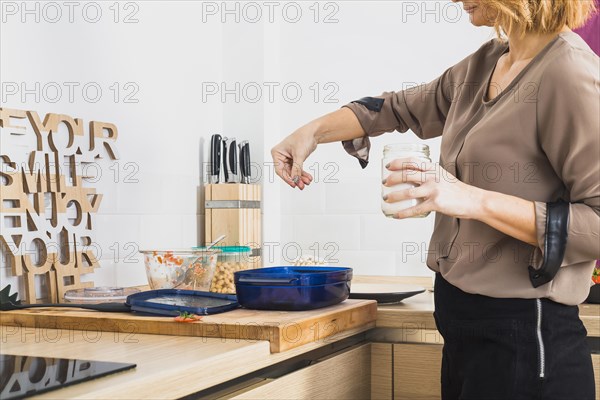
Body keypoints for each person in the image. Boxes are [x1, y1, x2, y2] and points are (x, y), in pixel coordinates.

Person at [271, 0, 600, 398]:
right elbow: (394, 109)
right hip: (461, 324)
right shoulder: (487, 63)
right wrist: (312, 132)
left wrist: (470, 199)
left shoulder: (569, 73)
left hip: (526, 337)